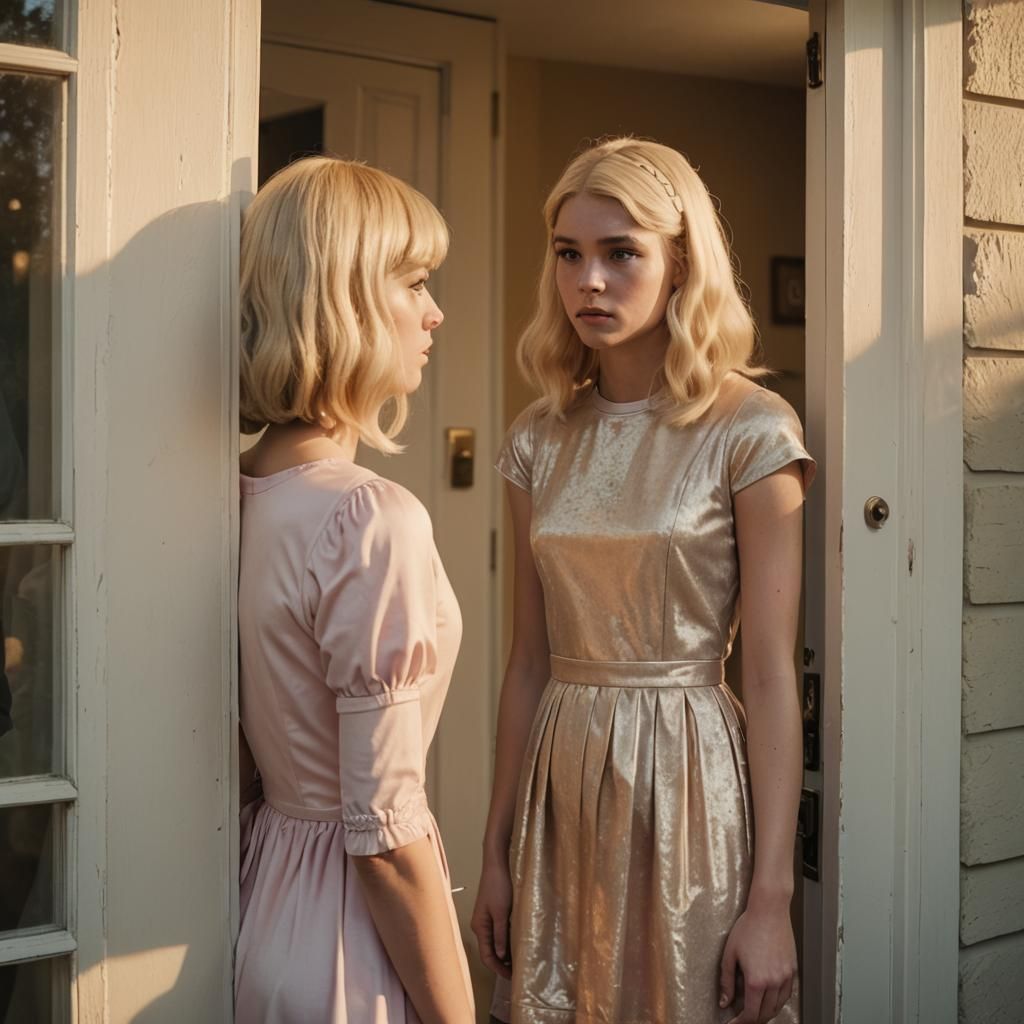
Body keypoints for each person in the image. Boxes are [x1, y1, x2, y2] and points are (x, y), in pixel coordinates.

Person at [472, 137, 814, 1024]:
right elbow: (527, 662)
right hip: (562, 781)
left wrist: (771, 900)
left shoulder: (752, 429)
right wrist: (495, 852)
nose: (589, 281)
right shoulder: (536, 439)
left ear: (681, 263)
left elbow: (770, 675)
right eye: (569, 254)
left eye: (621, 253)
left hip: (690, 781)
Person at [234, 156, 474, 1024]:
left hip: (263, 904)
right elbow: (385, 838)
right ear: (346, 299)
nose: (434, 312)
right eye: (414, 282)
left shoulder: (236, 493)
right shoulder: (369, 517)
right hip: (350, 940)